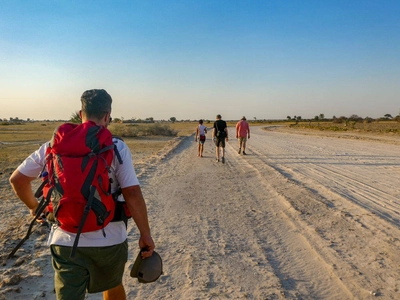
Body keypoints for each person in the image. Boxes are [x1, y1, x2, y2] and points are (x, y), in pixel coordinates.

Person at [9, 89, 155, 300]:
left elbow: (17, 180)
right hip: (110, 238)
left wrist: (33, 206)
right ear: (107, 116)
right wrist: (145, 234)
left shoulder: (53, 145)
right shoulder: (117, 147)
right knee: (113, 286)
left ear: (80, 113)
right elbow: (132, 193)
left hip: (64, 238)